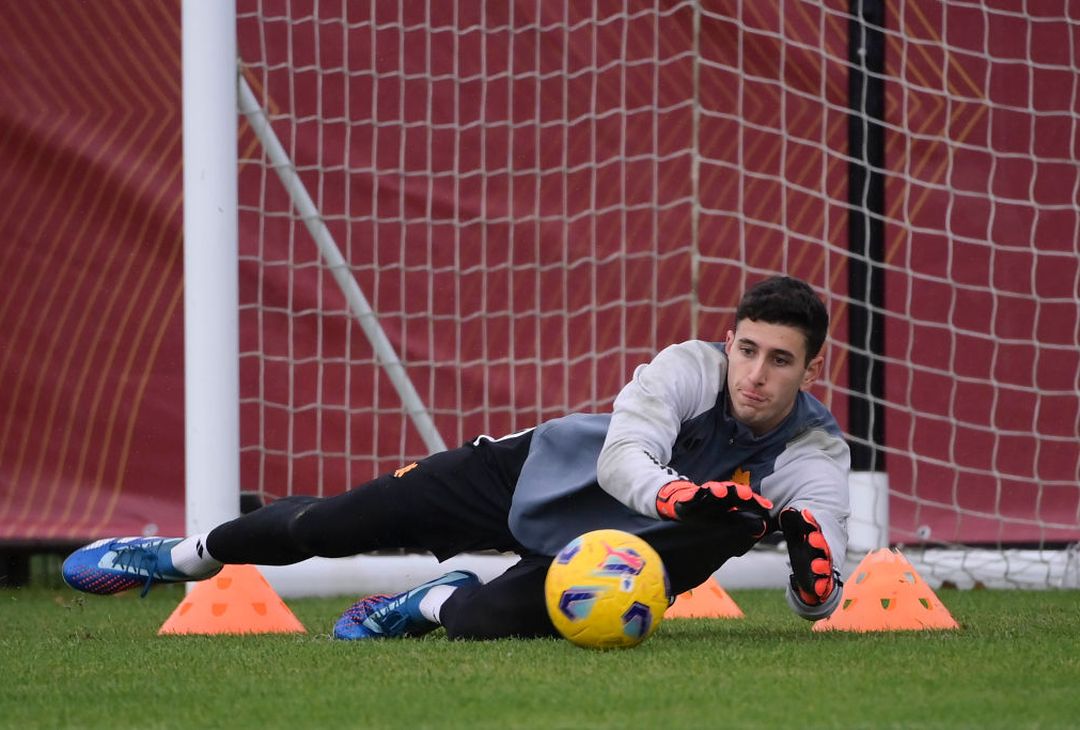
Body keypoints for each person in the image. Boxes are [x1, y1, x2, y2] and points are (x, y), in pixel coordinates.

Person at [62, 275, 850, 639]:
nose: (755, 373)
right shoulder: (687, 367)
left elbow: (819, 594)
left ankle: (434, 599)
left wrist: (814, 580)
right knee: (333, 524)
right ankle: (182, 554)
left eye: (779, 361)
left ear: (810, 371)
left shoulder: (814, 447)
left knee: (478, 623)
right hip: (524, 476)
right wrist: (680, 495)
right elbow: (623, 459)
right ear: (728, 342)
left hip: (616, 557)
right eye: (747, 349)